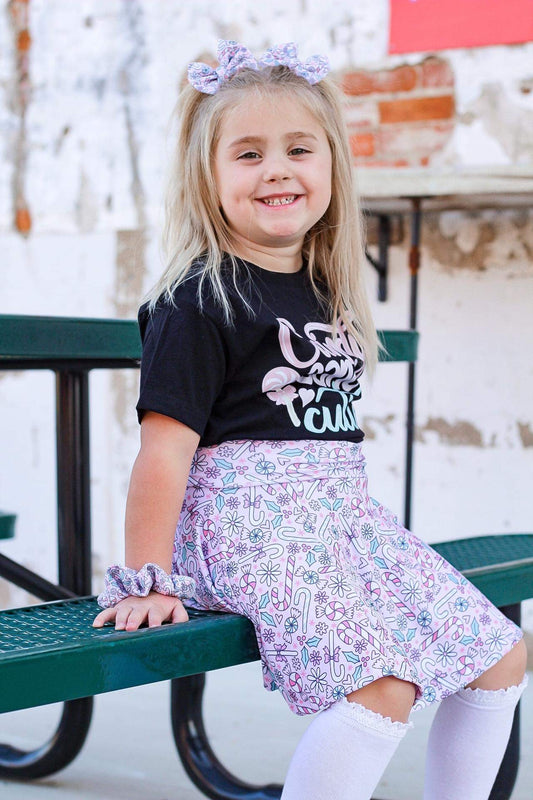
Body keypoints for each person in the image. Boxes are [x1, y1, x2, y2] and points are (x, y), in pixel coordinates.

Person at [93, 40, 527, 800]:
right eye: (248, 153)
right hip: (247, 528)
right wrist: (146, 579)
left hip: (342, 523)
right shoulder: (199, 301)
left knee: (499, 655)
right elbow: (162, 455)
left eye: (298, 148)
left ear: (331, 165)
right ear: (208, 175)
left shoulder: (322, 288)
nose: (276, 169)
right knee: (382, 684)